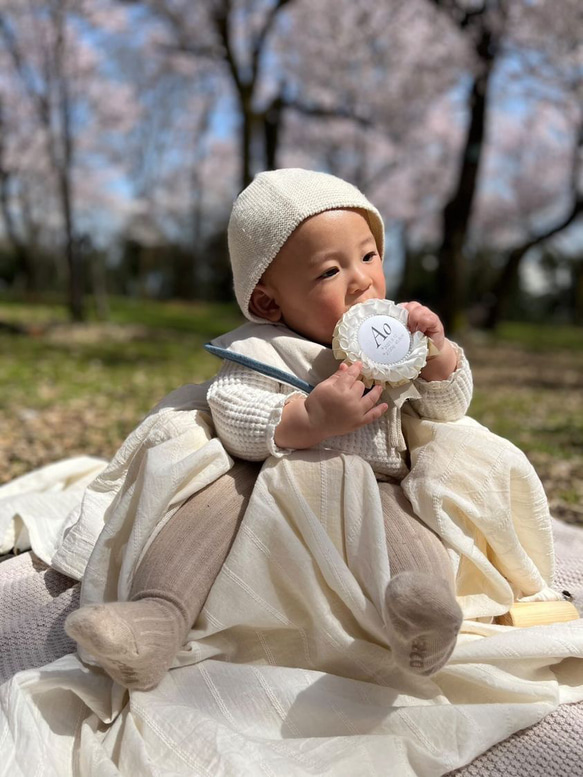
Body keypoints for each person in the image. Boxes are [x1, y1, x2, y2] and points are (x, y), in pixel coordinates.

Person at [65, 169, 471, 690]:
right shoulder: (262, 349)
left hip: (374, 487)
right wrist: (308, 419)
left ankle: (425, 617)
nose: (362, 280)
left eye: (369, 256)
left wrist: (439, 357)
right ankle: (155, 621)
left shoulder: (396, 343)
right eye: (330, 271)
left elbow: (448, 410)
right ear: (267, 303)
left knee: (410, 526)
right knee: (204, 509)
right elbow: (231, 411)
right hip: (265, 488)